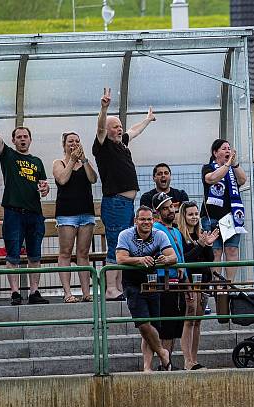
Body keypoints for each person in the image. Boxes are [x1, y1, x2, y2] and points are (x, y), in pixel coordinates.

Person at [0, 94, 50, 305]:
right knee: (12, 254)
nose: (22, 139)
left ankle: (34, 292)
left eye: (25, 136)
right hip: (13, 212)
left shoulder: (37, 161)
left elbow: (43, 186)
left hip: (34, 214)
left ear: (30, 140)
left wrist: (45, 188)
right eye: (19, 137)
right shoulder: (9, 156)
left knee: (35, 256)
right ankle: (14, 292)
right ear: (13, 140)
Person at [93, 87, 156, 300]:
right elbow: (100, 129)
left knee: (125, 245)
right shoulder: (103, 146)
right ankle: (111, 289)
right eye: (115, 127)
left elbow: (134, 131)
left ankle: (118, 287)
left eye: (120, 126)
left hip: (127, 204)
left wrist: (147, 120)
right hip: (115, 203)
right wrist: (104, 108)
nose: (119, 130)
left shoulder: (122, 144)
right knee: (115, 243)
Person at [115, 206, 176, 373]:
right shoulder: (125, 235)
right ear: (135, 221)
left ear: (153, 220)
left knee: (151, 326)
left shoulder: (160, 235)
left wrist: (165, 259)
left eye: (149, 219)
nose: (146, 222)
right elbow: (120, 259)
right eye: (142, 219)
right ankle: (163, 353)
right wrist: (140, 260)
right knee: (143, 324)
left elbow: (173, 257)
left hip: (153, 282)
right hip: (132, 284)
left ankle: (147, 367)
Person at [53, 132, 98, 303]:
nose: (74, 143)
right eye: (70, 141)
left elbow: (93, 179)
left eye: (77, 141)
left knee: (83, 253)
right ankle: (67, 293)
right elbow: (62, 179)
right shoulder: (59, 163)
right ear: (64, 144)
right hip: (66, 215)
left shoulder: (86, 163)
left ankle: (86, 293)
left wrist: (84, 160)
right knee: (65, 253)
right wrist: (72, 160)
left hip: (86, 213)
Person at [178, 201, 219, 370]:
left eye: (196, 214)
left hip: (203, 282)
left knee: (197, 322)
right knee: (189, 321)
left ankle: (194, 358)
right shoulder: (180, 235)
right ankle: (187, 360)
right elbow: (185, 259)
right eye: (190, 214)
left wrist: (208, 245)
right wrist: (201, 245)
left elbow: (209, 260)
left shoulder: (201, 234)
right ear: (184, 216)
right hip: (189, 283)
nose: (194, 217)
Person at [200, 138, 247, 284]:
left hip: (231, 217)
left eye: (229, 148)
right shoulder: (208, 167)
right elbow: (212, 178)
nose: (228, 150)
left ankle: (229, 284)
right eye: (224, 148)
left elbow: (243, 180)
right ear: (215, 152)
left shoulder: (232, 170)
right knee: (216, 251)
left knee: (231, 250)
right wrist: (226, 165)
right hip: (212, 217)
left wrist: (235, 164)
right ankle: (217, 284)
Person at [150, 192, 187, 368]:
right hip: (163, 281)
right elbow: (157, 254)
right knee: (165, 327)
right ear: (157, 212)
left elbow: (181, 257)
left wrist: (186, 280)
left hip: (178, 282)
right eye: (165, 208)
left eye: (171, 206)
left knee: (173, 327)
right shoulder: (156, 230)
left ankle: (168, 362)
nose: (170, 210)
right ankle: (164, 363)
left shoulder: (177, 231)